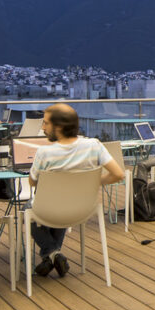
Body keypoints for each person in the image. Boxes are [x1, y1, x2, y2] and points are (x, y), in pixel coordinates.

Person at [28, 103, 124, 278]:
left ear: (58, 127)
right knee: (65, 208)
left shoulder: (44, 152)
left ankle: (51, 254)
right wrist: (90, 183)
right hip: (81, 210)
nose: (42, 127)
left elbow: (32, 182)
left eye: (45, 123)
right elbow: (118, 174)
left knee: (28, 211)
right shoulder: (94, 145)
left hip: (50, 210)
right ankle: (52, 256)